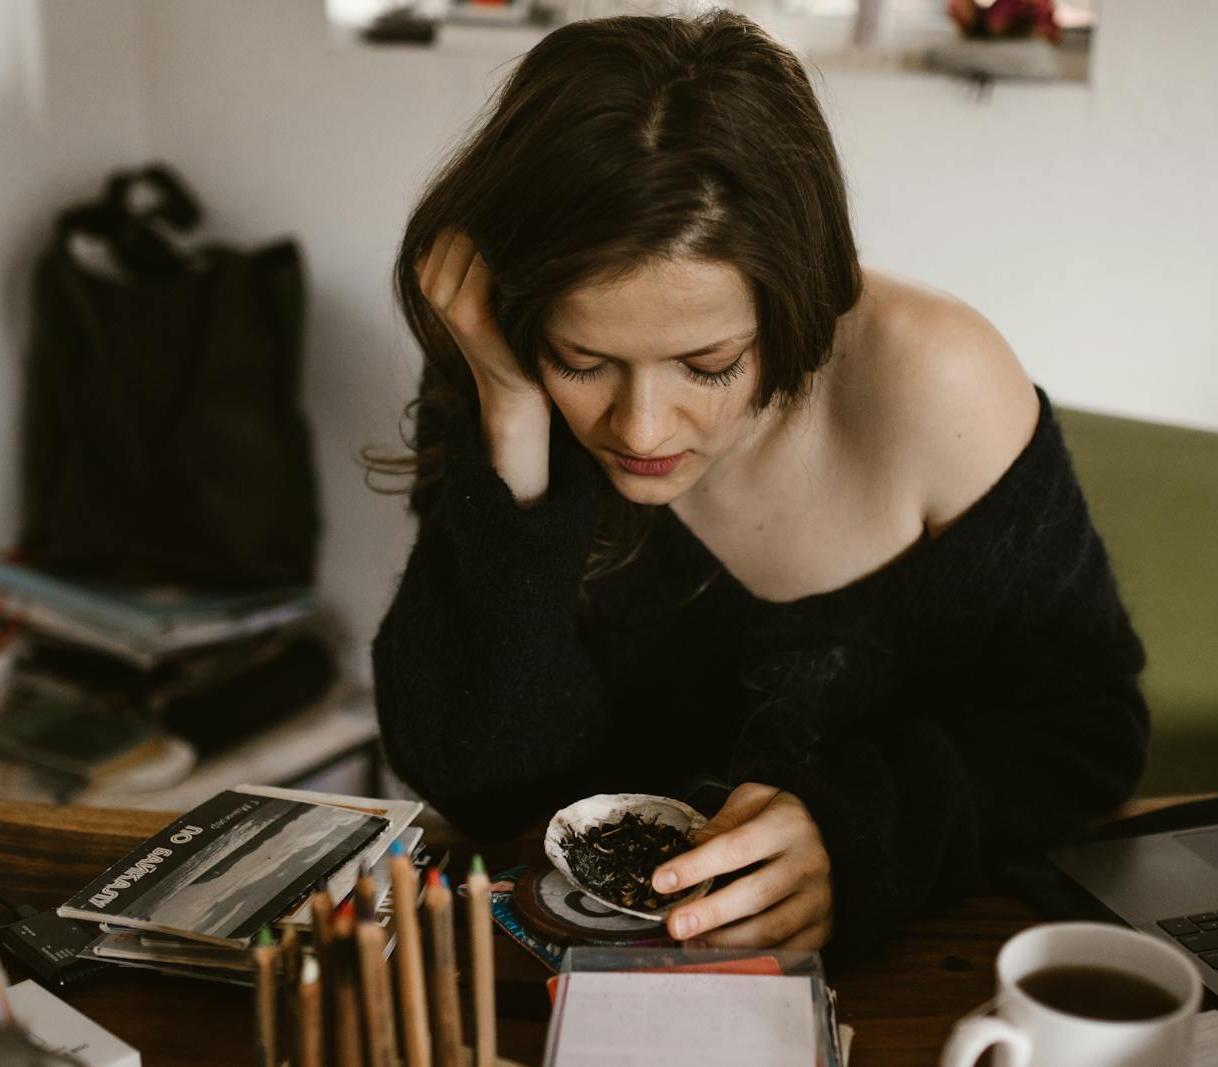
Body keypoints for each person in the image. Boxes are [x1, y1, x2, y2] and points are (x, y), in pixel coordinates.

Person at [370, 10, 1148, 964]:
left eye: (708, 363)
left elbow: (1085, 732)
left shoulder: (932, 382)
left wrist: (855, 835)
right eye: (585, 361)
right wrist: (515, 431)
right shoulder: (507, 368)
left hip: (913, 975)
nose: (641, 428)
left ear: (796, 301)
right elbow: (485, 783)